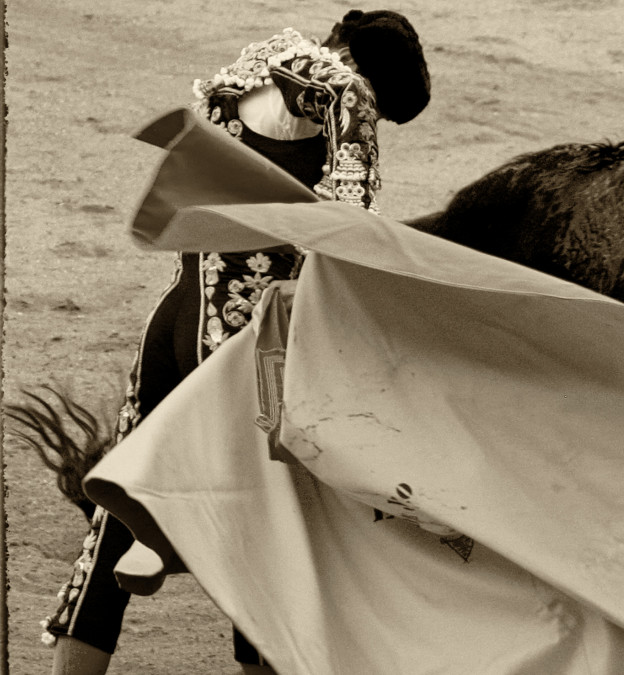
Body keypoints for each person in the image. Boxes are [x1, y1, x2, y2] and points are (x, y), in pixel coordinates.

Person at [38, 10, 430, 673]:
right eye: (384, 112)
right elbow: (351, 223)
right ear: (374, 77)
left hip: (175, 317)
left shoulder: (249, 73)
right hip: (243, 340)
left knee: (113, 520)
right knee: (271, 527)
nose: (375, 119)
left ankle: (150, 543)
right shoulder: (346, 88)